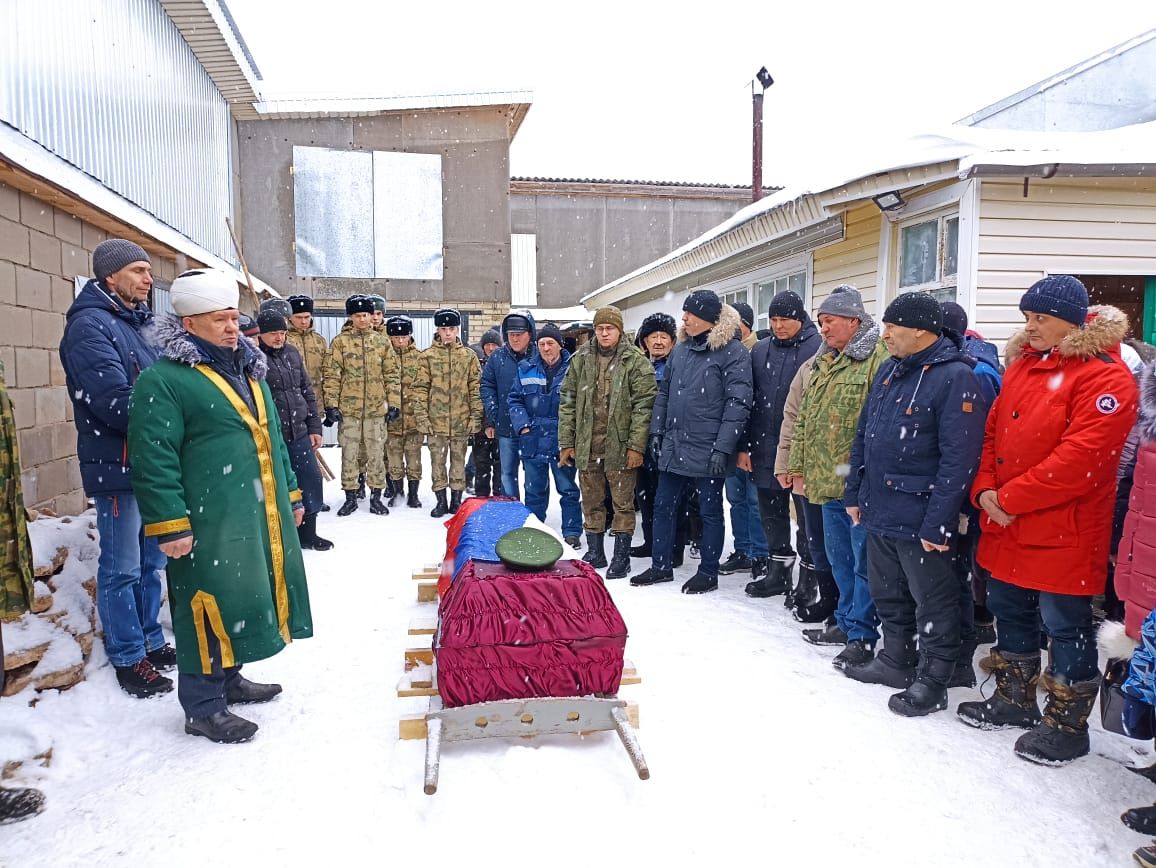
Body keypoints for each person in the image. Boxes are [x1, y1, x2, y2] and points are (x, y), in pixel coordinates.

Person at [956, 275, 1138, 765]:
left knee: (1065, 624)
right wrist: (986, 489)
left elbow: (1083, 459)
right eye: (1027, 318)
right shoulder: (1023, 367)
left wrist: (1011, 497)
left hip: (1064, 528)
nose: (1030, 327)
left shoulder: (1106, 378)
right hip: (1007, 520)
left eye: (1041, 319)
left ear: (1072, 323)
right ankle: (1014, 699)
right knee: (1008, 608)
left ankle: (1066, 723)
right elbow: (991, 435)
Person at [128, 268, 313, 744]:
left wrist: (291, 494)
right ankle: (203, 706)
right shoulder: (164, 380)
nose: (232, 328)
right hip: (204, 517)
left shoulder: (251, 372)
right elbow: (154, 456)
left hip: (250, 510)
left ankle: (229, 678)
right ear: (189, 325)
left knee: (241, 593)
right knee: (204, 600)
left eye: (234, 318)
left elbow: (272, 439)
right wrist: (170, 523)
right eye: (219, 320)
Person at [841, 292, 987, 716]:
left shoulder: (955, 377)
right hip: (880, 508)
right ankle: (895, 660)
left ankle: (934, 679)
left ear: (922, 331)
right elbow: (863, 435)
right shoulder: (890, 371)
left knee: (934, 602)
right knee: (888, 594)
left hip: (921, 512)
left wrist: (938, 522)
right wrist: (855, 493)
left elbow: (959, 459)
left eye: (892, 326)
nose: (883, 333)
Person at [58, 238, 175, 698]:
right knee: (122, 565)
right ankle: (127, 655)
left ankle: (148, 638)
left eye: (148, 272)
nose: (149, 280)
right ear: (110, 276)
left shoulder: (138, 325)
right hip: (118, 466)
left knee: (150, 562)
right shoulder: (90, 327)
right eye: (139, 271)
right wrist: (172, 416)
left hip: (148, 463)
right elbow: (113, 402)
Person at [789, 285, 889, 669]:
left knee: (865, 565)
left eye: (829, 322)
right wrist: (797, 466)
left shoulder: (876, 360)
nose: (824, 329)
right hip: (824, 483)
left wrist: (864, 480)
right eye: (821, 322)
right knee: (839, 560)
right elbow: (804, 420)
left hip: (857, 487)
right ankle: (845, 624)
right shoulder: (823, 362)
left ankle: (863, 635)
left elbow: (875, 428)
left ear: (854, 321)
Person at [631, 290, 752, 593]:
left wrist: (723, 447)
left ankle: (708, 572)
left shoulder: (733, 352)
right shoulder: (681, 350)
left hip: (709, 447)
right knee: (663, 505)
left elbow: (738, 404)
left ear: (708, 319)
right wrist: (656, 433)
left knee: (709, 511)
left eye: (689, 313)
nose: (683, 319)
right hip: (674, 443)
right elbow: (664, 395)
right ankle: (661, 565)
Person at [559, 306, 656, 579]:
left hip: (620, 445)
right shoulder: (581, 360)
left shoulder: (635, 361)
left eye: (609, 328)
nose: (604, 333)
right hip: (588, 445)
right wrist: (567, 442)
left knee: (623, 504)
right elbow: (567, 403)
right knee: (591, 501)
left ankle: (621, 557)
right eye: (600, 328)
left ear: (619, 330)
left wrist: (636, 446)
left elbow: (644, 406)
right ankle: (596, 551)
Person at [738, 290, 822, 598]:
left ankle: (810, 578)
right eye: (773, 320)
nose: (778, 326)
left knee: (807, 518)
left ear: (799, 318)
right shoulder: (760, 351)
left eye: (784, 319)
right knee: (771, 513)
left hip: (802, 450)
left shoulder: (818, 349)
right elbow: (749, 401)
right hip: (763, 446)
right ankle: (779, 570)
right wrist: (744, 445)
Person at [255, 309, 332, 552]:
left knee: (310, 480)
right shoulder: (254, 358)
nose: (279, 338)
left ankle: (308, 533)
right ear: (260, 335)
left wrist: (314, 426)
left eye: (282, 333)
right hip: (271, 435)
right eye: (273, 334)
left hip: (298, 430)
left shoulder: (292, 353)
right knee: (275, 485)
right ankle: (281, 535)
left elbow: (306, 390)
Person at [323, 295, 400, 517]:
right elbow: (332, 375)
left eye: (366, 315)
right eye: (358, 316)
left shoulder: (382, 342)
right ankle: (351, 496)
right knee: (350, 453)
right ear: (351, 317)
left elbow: (392, 375)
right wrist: (331, 404)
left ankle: (376, 496)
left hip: (376, 410)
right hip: (350, 410)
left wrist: (393, 403)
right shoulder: (341, 342)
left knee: (376, 453)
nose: (363, 319)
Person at [508, 323, 582, 547]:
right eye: (542, 344)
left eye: (550, 343)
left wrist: (573, 434)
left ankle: (571, 531)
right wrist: (523, 426)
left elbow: (580, 403)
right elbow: (514, 399)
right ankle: (535, 527)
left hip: (563, 439)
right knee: (534, 489)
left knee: (568, 489)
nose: (546, 348)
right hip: (533, 438)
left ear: (560, 344)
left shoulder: (574, 369)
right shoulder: (526, 368)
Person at [631, 313, 689, 565]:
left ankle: (674, 547)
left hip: (670, 440)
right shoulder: (639, 367)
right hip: (641, 441)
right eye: (652, 336)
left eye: (663, 336)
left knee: (671, 498)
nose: (657, 341)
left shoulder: (679, 365)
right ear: (644, 341)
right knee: (645, 494)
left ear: (672, 341)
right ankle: (651, 540)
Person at [720, 300, 771, 582]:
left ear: (745, 326)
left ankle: (760, 554)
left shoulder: (758, 352)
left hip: (754, 441)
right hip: (732, 439)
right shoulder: (726, 352)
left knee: (754, 501)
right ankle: (743, 549)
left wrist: (748, 444)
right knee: (736, 498)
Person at [424, 308, 482, 518]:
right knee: (437, 463)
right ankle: (440, 501)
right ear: (438, 330)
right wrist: (423, 417)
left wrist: (475, 416)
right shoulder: (428, 357)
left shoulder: (468, 357)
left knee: (458, 462)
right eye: (443, 329)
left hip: (460, 421)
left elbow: (475, 389)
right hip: (435, 422)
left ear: (458, 329)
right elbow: (420, 389)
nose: (447, 333)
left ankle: (456, 500)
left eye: (451, 328)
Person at [481, 310, 538, 500]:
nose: (514, 339)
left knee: (533, 475)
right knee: (507, 474)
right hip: (505, 425)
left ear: (530, 334)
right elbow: (487, 385)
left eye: (519, 334)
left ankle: (532, 514)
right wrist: (492, 415)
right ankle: (511, 511)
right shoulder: (497, 357)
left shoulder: (539, 357)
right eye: (510, 335)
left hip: (532, 428)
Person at [384, 315, 430, 509]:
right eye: (395, 337)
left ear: (410, 336)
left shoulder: (421, 358)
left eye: (403, 336)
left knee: (414, 460)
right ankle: (396, 491)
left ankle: (413, 494)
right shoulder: (384, 357)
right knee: (394, 460)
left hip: (413, 420)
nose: (400, 341)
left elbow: (426, 387)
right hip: (392, 420)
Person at [469, 328, 503, 497]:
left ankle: (498, 497)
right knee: (481, 464)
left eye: (494, 345)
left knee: (500, 465)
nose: (490, 348)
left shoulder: (505, 365)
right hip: (480, 425)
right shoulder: (476, 366)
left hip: (501, 424)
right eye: (487, 345)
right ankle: (481, 497)